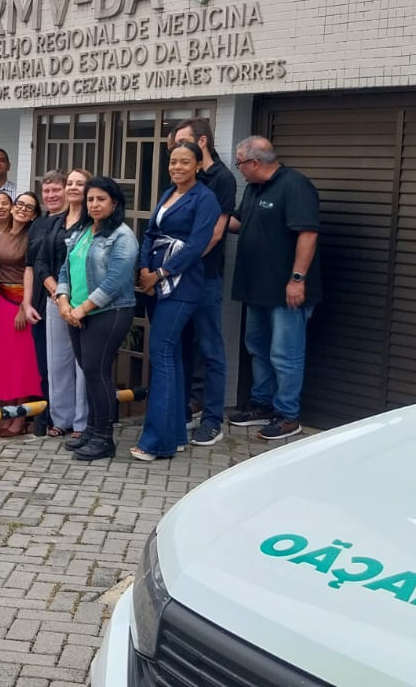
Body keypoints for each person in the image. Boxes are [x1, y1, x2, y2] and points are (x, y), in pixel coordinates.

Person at [228, 135, 322, 441]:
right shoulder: (254, 188)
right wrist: (203, 217)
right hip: (257, 288)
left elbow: (307, 233)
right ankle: (261, 405)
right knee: (257, 348)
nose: (239, 169)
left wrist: (297, 279)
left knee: (285, 354)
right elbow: (237, 222)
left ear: (255, 163)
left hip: (286, 292)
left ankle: (287, 416)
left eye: (240, 164)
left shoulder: (295, 185)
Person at [132, 142, 221, 462]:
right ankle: (176, 436)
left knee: (162, 355)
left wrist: (162, 272)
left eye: (185, 162)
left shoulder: (205, 198)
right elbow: (149, 234)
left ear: (198, 165)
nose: (177, 167)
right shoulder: (168, 193)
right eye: (173, 162)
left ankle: (156, 442)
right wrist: (144, 270)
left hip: (182, 285)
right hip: (154, 283)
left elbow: (197, 244)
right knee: (172, 357)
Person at [54, 178, 139, 462]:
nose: (94, 204)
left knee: (96, 371)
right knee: (89, 371)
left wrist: (83, 309)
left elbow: (116, 280)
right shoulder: (82, 231)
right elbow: (65, 269)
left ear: (114, 203)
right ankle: (91, 430)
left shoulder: (122, 236)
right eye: (90, 199)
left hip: (109, 312)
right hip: (77, 312)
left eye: (101, 199)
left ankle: (104, 438)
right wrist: (63, 301)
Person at [171, 118, 236, 446]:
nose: (177, 151)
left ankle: (212, 419)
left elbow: (214, 233)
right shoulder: (183, 179)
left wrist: (180, 264)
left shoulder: (222, 178)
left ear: (202, 142)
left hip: (204, 276)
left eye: (183, 141)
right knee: (182, 347)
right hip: (178, 278)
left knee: (210, 349)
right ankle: (182, 411)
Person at [33, 168, 91, 441]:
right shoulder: (55, 222)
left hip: (84, 302)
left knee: (82, 364)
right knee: (57, 363)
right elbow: (41, 262)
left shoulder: (93, 222)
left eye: (80, 183)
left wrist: (68, 298)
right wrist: (57, 294)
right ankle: (61, 419)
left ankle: (82, 422)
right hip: (55, 300)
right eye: (70, 183)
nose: (73, 188)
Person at [0, 191, 43, 434]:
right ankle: (7, 409)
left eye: (29, 207)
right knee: (4, 360)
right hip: (2, 301)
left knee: (21, 361)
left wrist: (23, 307)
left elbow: (33, 273)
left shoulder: (32, 238)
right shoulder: (1, 237)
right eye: (19, 204)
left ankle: (21, 416)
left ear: (35, 215)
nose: (22, 209)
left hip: (21, 304)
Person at [25, 169, 69, 400]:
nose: (51, 195)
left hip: (67, 300)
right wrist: (27, 303)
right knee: (44, 366)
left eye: (56, 190)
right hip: (39, 303)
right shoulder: (37, 224)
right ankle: (50, 413)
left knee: (65, 366)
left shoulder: (73, 222)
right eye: (46, 190)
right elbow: (29, 266)